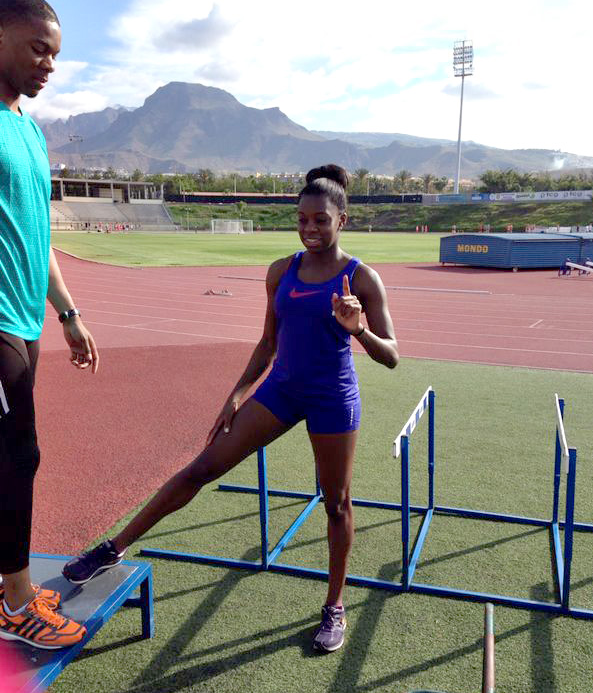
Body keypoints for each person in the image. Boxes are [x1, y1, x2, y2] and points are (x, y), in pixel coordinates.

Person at [64, 164, 398, 653]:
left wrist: (358, 329)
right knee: (203, 466)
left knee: (337, 502)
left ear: (341, 220)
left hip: (333, 397)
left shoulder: (361, 278)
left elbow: (391, 355)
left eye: (321, 220)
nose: (309, 228)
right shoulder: (281, 272)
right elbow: (267, 343)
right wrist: (237, 395)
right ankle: (112, 548)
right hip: (281, 390)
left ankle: (334, 606)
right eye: (302, 219)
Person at [0, 0, 99, 650]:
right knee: (15, 456)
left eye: (56, 54)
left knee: (11, 456)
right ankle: (14, 603)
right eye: (38, 48)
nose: (50, 65)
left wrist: (68, 312)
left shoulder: (29, 131)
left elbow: (39, 237)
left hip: (27, 320)